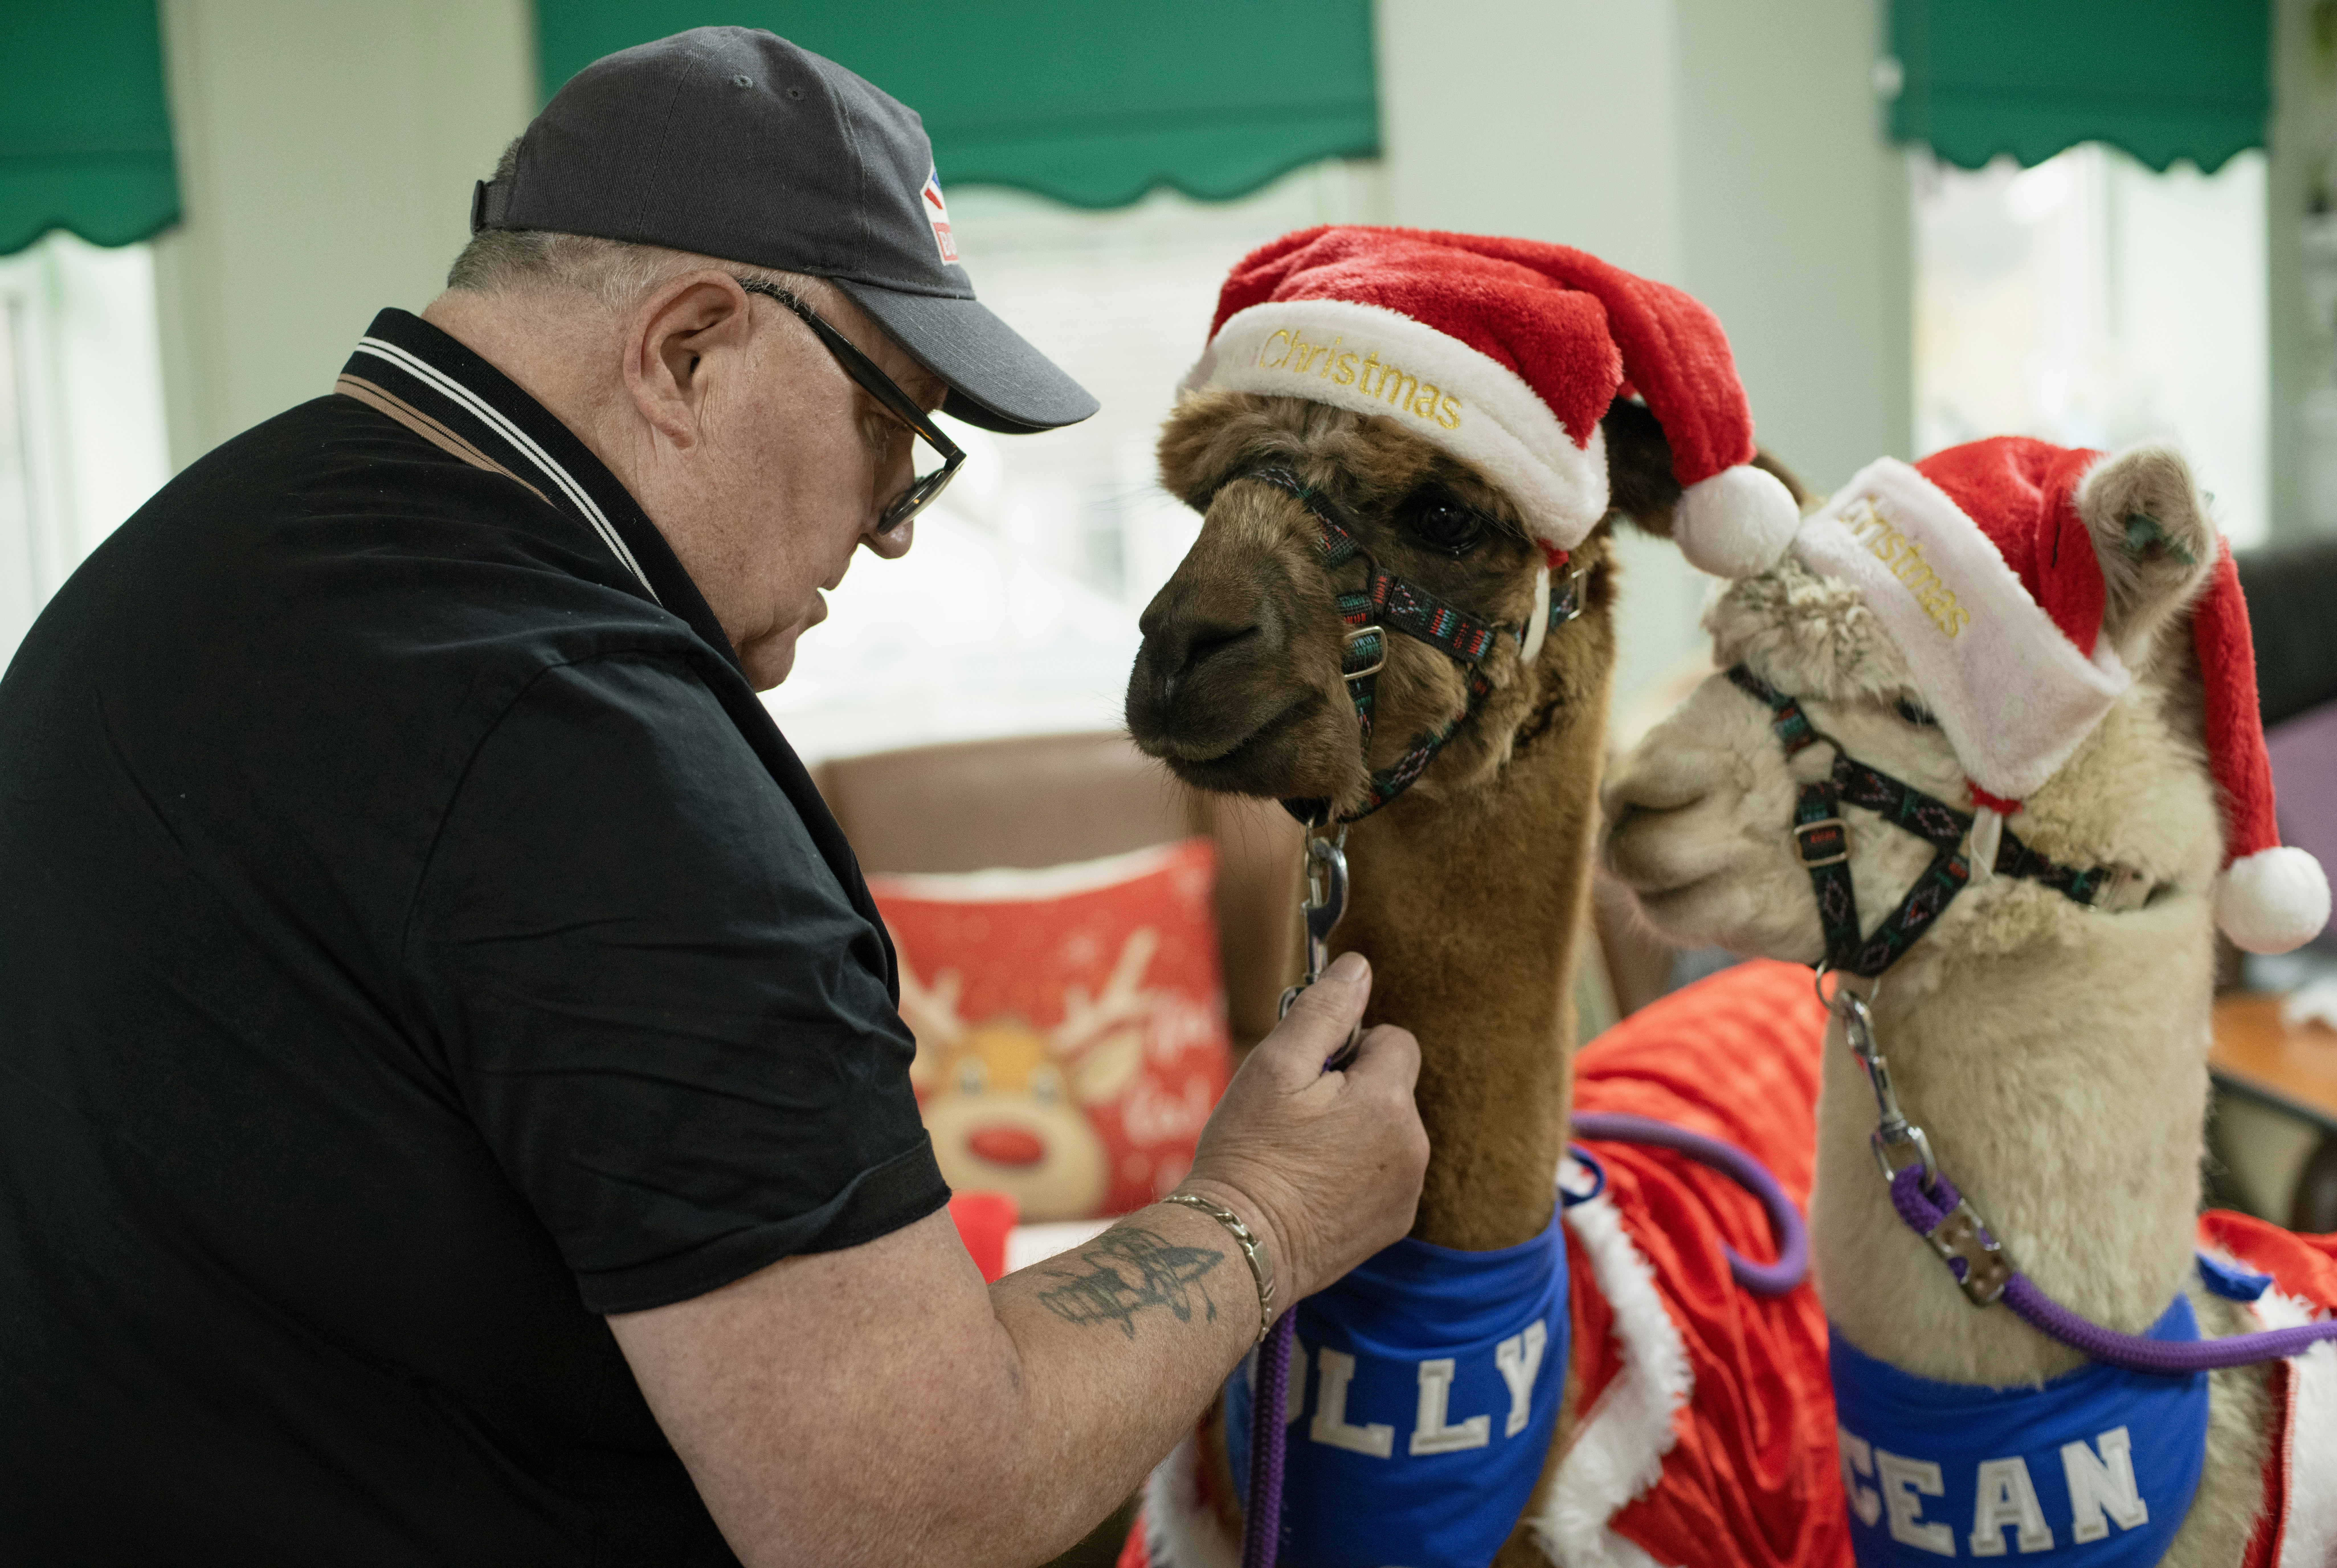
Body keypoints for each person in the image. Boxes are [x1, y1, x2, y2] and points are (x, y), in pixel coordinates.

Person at [0, 28, 1426, 1568]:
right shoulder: (590, 757)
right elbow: (908, 1516)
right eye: (893, 428)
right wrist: (1266, 1213)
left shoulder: (182, 563)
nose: (891, 526)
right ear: (686, 350)